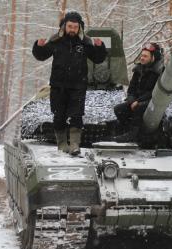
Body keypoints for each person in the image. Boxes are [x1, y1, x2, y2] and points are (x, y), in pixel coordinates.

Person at [32, 11, 107, 155]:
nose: (72, 29)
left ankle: (74, 145)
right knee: (58, 116)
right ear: (64, 26)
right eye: (70, 26)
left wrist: (100, 47)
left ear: (80, 27)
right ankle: (62, 144)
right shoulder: (56, 41)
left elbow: (98, 58)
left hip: (78, 86)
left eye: (75, 27)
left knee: (76, 116)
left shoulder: (85, 42)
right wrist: (38, 46)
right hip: (58, 86)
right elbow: (41, 56)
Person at [113, 42, 163, 142]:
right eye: (142, 55)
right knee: (118, 109)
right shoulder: (138, 70)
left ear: (153, 58)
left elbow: (154, 92)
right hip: (136, 100)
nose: (142, 58)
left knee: (139, 108)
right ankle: (127, 131)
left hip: (151, 101)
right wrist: (132, 100)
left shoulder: (159, 72)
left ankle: (133, 134)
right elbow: (131, 89)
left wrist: (138, 101)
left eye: (145, 56)